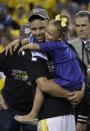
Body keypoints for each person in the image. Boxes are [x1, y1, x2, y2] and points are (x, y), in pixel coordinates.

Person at [5, 8, 85, 131]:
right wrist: (72, 95)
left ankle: (32, 114)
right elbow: (44, 86)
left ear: (49, 24)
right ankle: (32, 114)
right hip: (50, 115)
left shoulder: (64, 45)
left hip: (69, 114)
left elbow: (82, 75)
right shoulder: (30, 52)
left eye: (42, 28)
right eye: (33, 29)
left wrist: (81, 92)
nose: (38, 32)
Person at [69, 10, 90, 131]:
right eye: (77, 26)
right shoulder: (70, 46)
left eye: (84, 25)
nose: (80, 29)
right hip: (79, 105)